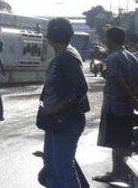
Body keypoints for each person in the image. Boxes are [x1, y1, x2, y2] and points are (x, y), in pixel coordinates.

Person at [37, 18, 90, 187]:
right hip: (58, 120)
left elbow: (81, 88)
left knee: (61, 169)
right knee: (53, 167)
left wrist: (54, 110)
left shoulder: (67, 57)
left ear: (50, 37)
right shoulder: (65, 54)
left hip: (65, 120)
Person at [93, 27, 138, 184]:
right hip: (126, 107)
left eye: (106, 39)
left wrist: (131, 98)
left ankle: (116, 173)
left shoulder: (113, 58)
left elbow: (119, 81)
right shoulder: (131, 57)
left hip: (115, 106)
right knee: (124, 141)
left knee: (116, 143)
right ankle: (122, 172)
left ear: (110, 40)